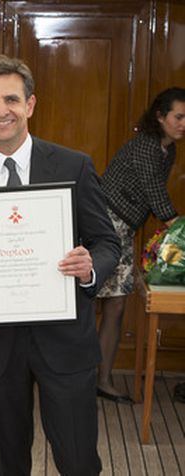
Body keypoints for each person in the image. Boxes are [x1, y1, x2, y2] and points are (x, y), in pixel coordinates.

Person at [0, 55, 120, 476]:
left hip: (66, 344)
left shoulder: (74, 166)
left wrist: (89, 266)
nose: (3, 110)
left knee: (78, 461)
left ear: (30, 104)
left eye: (12, 99)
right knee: (8, 461)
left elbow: (107, 242)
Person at [96, 87, 185, 404]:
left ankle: (102, 380)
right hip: (102, 226)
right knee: (89, 305)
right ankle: (73, 377)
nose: (183, 124)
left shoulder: (168, 149)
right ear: (160, 117)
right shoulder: (147, 147)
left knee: (116, 305)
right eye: (179, 116)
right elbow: (157, 198)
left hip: (123, 230)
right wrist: (180, 229)